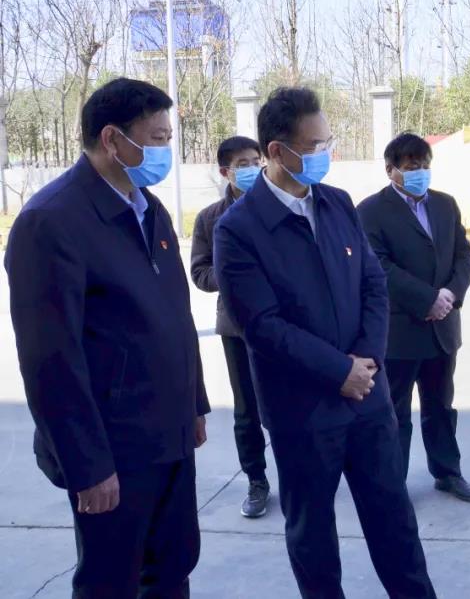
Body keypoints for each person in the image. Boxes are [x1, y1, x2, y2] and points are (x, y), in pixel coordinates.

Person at [214, 87, 436, 599]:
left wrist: (367, 361)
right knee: (313, 538)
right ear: (276, 151)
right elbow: (263, 326)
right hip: (303, 412)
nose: (324, 154)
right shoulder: (239, 230)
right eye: (314, 146)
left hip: (368, 401)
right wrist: (340, 372)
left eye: (327, 143)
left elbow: (373, 284)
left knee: (396, 526)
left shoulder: (337, 203)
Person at [5, 77, 210, 598]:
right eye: (157, 138)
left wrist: (194, 403)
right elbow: (50, 361)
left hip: (168, 434)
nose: (165, 151)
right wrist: (87, 466)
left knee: (173, 566)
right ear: (113, 139)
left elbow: (176, 314)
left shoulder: (148, 208)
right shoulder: (51, 222)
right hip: (115, 449)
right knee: (112, 581)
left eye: (168, 138)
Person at [358, 133, 470, 503]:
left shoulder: (445, 204)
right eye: (412, 167)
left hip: (443, 329)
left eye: (425, 166)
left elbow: (463, 255)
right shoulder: (370, 211)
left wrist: (450, 295)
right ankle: (393, 484)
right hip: (399, 332)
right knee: (394, 413)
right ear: (390, 170)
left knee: (441, 407)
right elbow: (378, 266)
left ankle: (448, 472)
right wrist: (427, 299)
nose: (420, 173)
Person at [190, 136, 271, 519]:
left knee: (290, 403)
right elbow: (200, 273)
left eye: (256, 161)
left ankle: (300, 474)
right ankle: (257, 480)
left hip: (285, 322)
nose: (253, 168)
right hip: (237, 326)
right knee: (246, 410)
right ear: (226, 171)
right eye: (243, 164)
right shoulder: (210, 218)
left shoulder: (278, 206)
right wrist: (234, 273)